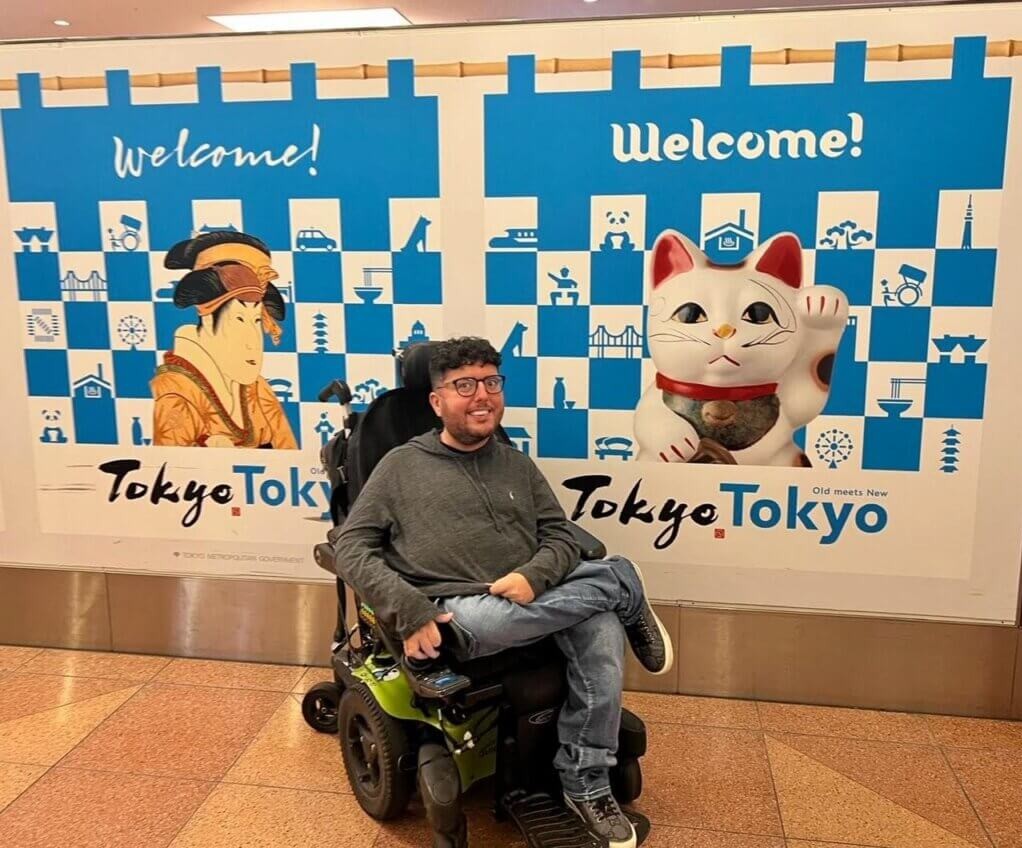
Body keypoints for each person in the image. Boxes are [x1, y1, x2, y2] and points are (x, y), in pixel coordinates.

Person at [333, 336, 674, 848]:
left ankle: (586, 778)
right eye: (464, 385)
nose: (481, 396)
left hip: (531, 597)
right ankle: (619, 582)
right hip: (455, 609)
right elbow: (351, 547)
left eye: (491, 382)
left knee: (599, 624)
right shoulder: (400, 466)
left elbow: (560, 534)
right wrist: (409, 610)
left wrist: (534, 577)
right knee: (532, 614)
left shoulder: (516, 464)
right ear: (437, 401)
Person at [151, 231, 297, 449]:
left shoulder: (257, 387)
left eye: (256, 321)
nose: (252, 341)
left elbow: (289, 457)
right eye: (239, 319)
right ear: (208, 319)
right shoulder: (177, 394)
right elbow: (171, 471)